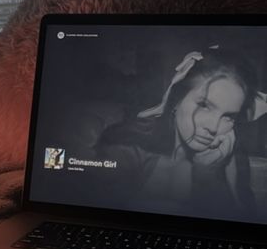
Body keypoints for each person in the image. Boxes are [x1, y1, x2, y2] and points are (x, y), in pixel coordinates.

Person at [95, 46, 267, 221]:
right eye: (204, 105)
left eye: (229, 117)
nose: (214, 127)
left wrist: (208, 175)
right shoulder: (128, 146)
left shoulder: (233, 161)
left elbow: (241, 229)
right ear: (176, 99)